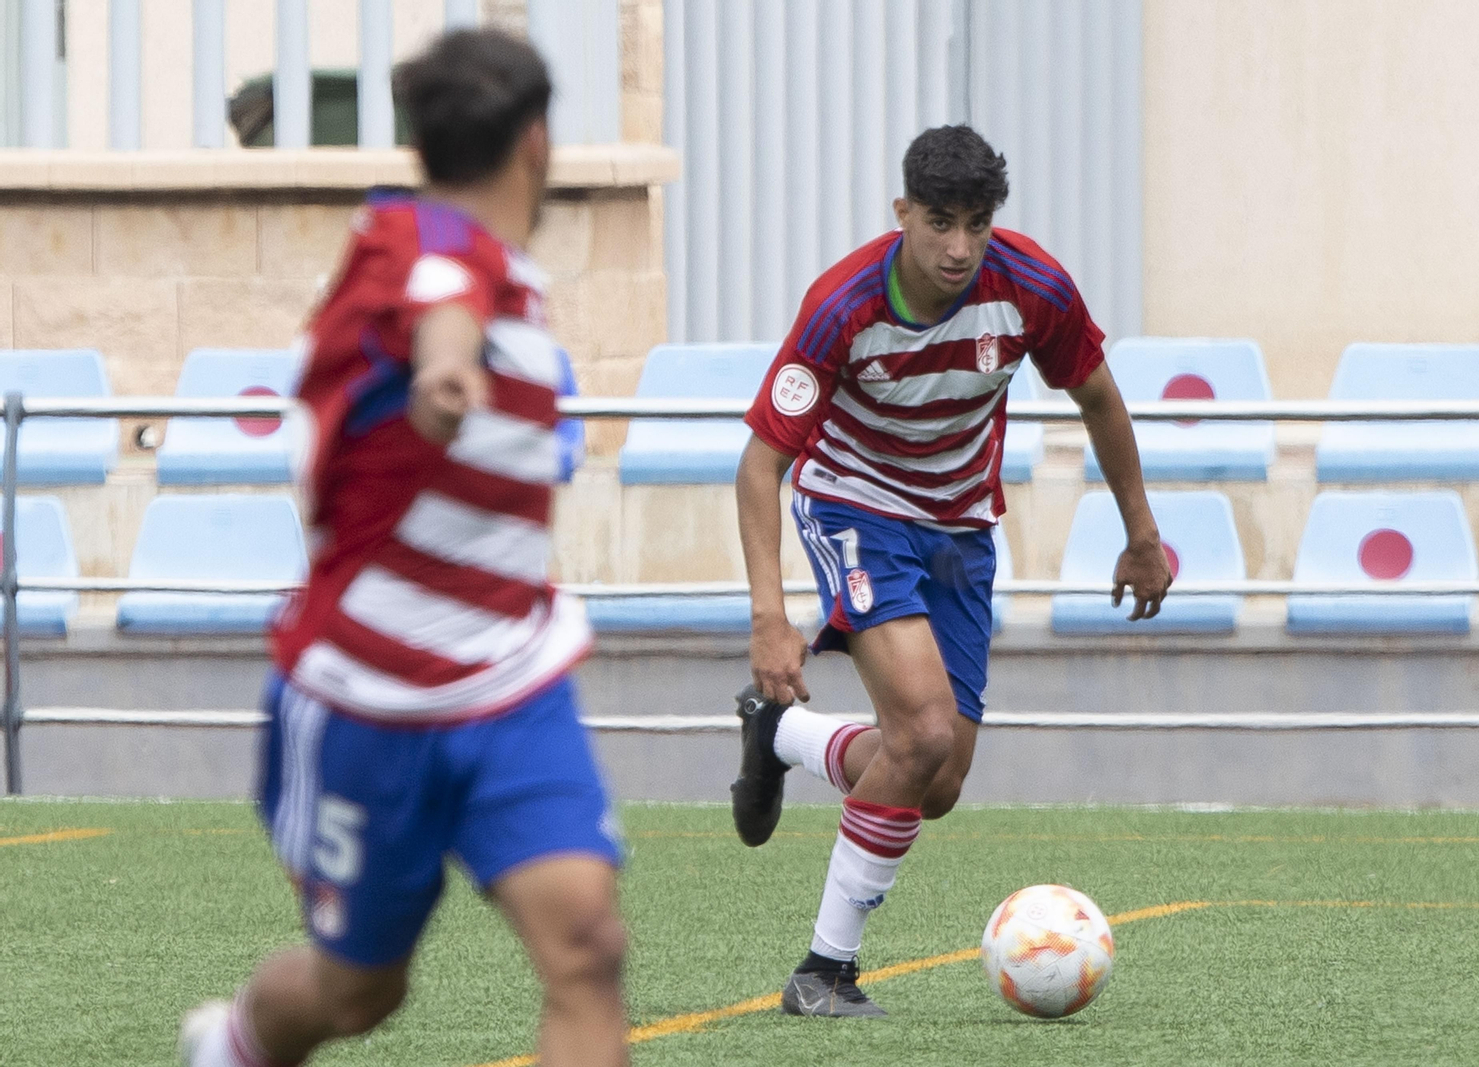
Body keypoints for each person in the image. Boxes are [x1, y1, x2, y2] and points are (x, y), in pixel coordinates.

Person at [179, 29, 628, 1067]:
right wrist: (445, 370)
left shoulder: (489, 266)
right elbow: (443, 297)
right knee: (358, 991)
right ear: (538, 139)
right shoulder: (420, 243)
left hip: (510, 680)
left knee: (587, 948)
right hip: (367, 694)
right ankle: (234, 1047)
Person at [730, 125, 1172, 1016]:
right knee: (924, 729)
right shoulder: (842, 305)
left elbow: (1098, 398)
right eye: (940, 222)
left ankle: (781, 736)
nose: (960, 247)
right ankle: (824, 972)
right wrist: (769, 618)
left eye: (976, 223)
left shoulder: (1033, 286)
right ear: (903, 213)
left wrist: (1141, 532)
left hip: (960, 527)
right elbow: (759, 465)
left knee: (936, 778)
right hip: (853, 506)